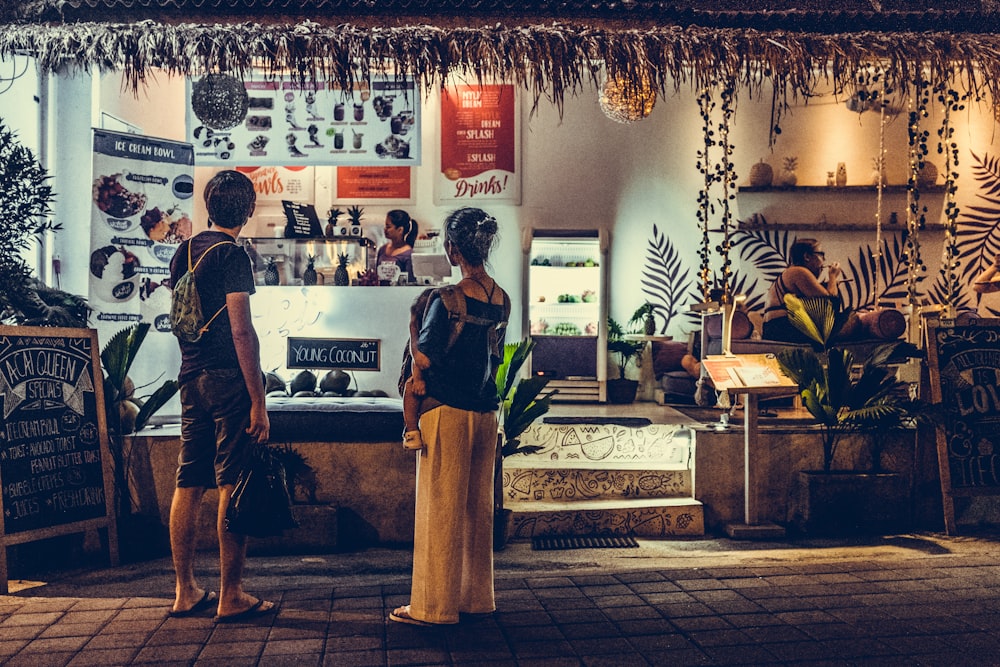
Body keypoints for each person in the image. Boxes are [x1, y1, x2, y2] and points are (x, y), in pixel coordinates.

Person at [390, 207, 509, 627]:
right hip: (485, 413)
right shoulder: (502, 299)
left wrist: (409, 325)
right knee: (477, 511)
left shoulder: (446, 299)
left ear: (453, 248)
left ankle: (433, 608)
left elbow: (426, 358)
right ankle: (475, 599)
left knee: (439, 511)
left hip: (445, 414)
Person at [167, 170, 276, 622]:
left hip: (190, 376)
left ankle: (184, 590)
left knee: (189, 480)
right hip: (228, 379)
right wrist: (258, 399)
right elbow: (240, 330)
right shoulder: (233, 255)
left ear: (208, 207)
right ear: (249, 210)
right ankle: (231, 594)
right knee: (232, 479)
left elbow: (180, 316)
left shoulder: (184, 251)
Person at [763, 238, 843, 344]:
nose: (824, 259)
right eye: (821, 254)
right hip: (783, 327)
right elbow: (830, 305)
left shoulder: (790, 273)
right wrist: (833, 277)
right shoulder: (799, 271)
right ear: (807, 256)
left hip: (774, 328)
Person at [400, 289, 432, 450]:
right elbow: (417, 360)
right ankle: (412, 431)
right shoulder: (419, 337)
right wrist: (418, 379)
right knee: (410, 387)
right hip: (419, 375)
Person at [377, 209, 419, 282]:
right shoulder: (382, 249)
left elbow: (410, 281)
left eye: (388, 227)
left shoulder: (408, 254)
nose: (385, 229)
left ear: (400, 230)